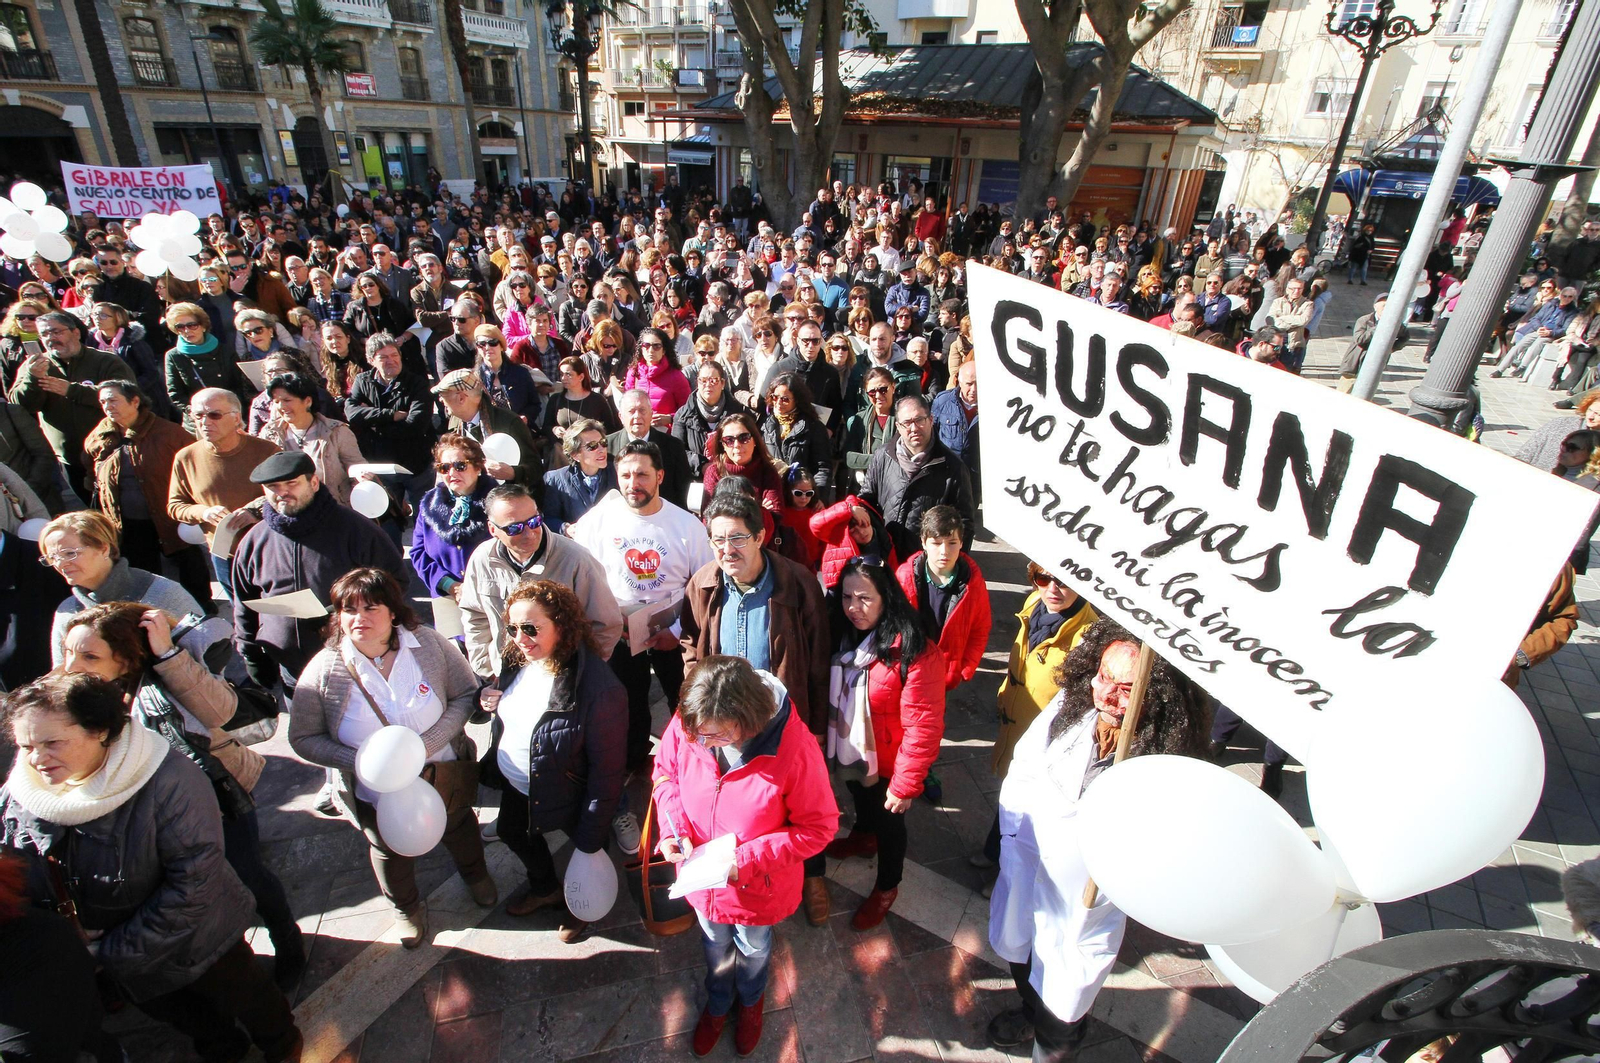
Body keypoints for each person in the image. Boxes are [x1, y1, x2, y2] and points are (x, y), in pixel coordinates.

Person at [1, 672, 304, 1062]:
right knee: (190, 1019)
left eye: (52, 743)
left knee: (251, 999)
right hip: (130, 968)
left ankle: (282, 1044)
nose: (36, 760)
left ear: (100, 732)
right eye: (25, 746)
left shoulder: (169, 780)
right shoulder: (20, 791)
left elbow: (195, 882)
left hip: (202, 942)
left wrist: (106, 951)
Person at [986, 619, 1211, 1061]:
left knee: (1064, 1002)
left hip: (1082, 912)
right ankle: (1029, 1011)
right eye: (1103, 675)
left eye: (1125, 688)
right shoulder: (1071, 711)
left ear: (1156, 697)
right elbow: (1024, 767)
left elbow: (1159, 855)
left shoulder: (1162, 769)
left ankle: (1049, 1050)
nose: (1104, 692)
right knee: (1022, 955)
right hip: (1028, 871)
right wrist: (1013, 838)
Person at [59, 602, 305, 990]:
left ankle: (287, 938)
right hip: (151, 820)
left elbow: (222, 711)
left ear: (125, 659)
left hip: (218, 801)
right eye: (68, 652)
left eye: (89, 656)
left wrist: (169, 657)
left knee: (247, 875)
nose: (72, 665)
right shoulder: (77, 696)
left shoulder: (166, 678)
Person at [289, 568, 495, 948]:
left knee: (460, 828)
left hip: (442, 773)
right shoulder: (323, 669)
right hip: (374, 793)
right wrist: (364, 762)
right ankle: (406, 908)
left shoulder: (429, 645)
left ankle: (477, 876)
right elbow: (302, 737)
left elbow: (465, 695)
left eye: (371, 607)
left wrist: (425, 743)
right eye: (348, 609)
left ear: (394, 613)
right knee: (388, 850)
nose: (359, 618)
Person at [654, 656, 838, 1058]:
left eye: (716, 737)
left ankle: (751, 1002)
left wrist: (748, 860)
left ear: (747, 719)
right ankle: (719, 1002)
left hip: (757, 886)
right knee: (713, 942)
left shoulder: (795, 749)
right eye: (697, 735)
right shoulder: (695, 718)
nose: (702, 744)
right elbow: (666, 772)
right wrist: (673, 831)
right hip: (701, 877)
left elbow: (819, 827)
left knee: (753, 948)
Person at [679, 491, 833, 923]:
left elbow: (818, 658)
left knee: (799, 803)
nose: (726, 550)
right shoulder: (704, 582)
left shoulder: (797, 582)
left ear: (762, 536)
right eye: (717, 540)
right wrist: (697, 688)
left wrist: (817, 725)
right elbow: (691, 642)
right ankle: (732, 876)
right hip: (726, 719)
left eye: (737, 538)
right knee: (742, 803)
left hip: (783, 720)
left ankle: (813, 876)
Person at [478, 579, 626, 943]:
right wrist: (488, 699)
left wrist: (591, 839)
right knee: (514, 831)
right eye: (512, 628)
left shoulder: (599, 690)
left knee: (586, 849)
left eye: (531, 628)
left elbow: (606, 775)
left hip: (567, 787)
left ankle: (584, 904)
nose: (519, 638)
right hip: (518, 782)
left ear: (562, 625)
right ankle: (545, 888)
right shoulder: (518, 659)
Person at [570, 440, 715, 774]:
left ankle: (692, 764)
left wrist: (676, 632)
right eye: (625, 475)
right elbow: (582, 577)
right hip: (617, 631)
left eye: (642, 475)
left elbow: (705, 588)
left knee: (687, 700)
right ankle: (636, 769)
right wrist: (604, 621)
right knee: (627, 706)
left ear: (660, 476)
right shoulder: (597, 522)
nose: (632, 484)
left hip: (674, 631)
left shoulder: (687, 526)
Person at [822, 556, 945, 929]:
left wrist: (906, 784)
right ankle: (863, 836)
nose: (854, 608)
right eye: (846, 597)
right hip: (857, 752)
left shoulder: (913, 650)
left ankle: (887, 887)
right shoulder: (842, 633)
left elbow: (924, 725)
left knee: (891, 826)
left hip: (890, 765)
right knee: (861, 798)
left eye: (864, 598)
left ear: (886, 597)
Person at [231, 451, 404, 692]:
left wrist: (349, 612)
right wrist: (250, 654)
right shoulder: (254, 541)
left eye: (292, 483)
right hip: (292, 672)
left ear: (313, 483)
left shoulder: (356, 530)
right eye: (273, 486)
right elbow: (244, 602)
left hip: (354, 665)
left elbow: (396, 583)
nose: (282, 493)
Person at [973, 562, 1100, 873]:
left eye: (1065, 581)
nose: (1052, 589)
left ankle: (1008, 873)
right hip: (1015, 723)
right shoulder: (1034, 603)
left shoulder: (1089, 636)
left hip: (1046, 738)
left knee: (1028, 809)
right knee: (1010, 793)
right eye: (1044, 578)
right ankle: (994, 851)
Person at [458, 483, 622, 682]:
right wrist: (488, 670)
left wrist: (579, 675)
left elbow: (606, 625)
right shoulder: (482, 559)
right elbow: (475, 616)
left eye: (534, 521)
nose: (529, 533)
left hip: (562, 678)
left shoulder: (576, 560)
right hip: (506, 678)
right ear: (493, 529)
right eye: (515, 528)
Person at [84, 379, 214, 605]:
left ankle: (202, 608)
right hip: (128, 521)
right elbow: (88, 466)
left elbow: (197, 469)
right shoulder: (101, 435)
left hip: (170, 517)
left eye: (113, 400)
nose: (108, 407)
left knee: (189, 565)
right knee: (144, 573)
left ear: (135, 401)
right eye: (103, 402)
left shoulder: (169, 434)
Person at [9, 310, 134, 503]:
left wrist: (73, 391)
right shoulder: (34, 366)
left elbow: (128, 397)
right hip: (69, 457)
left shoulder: (106, 361)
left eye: (56, 332)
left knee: (123, 505)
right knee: (90, 506)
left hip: (112, 449)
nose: (51, 338)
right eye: (44, 334)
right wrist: (32, 380)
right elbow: (20, 405)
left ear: (75, 332)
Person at [168, 387, 280, 600]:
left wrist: (255, 511)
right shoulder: (186, 457)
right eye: (198, 415)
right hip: (223, 553)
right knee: (242, 614)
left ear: (237, 419)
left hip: (268, 549)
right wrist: (203, 512)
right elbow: (175, 505)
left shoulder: (266, 451)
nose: (205, 422)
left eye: (214, 415)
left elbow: (286, 492)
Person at [863, 393, 975, 559]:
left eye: (919, 420)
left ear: (930, 420)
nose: (914, 428)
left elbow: (964, 523)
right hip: (885, 558)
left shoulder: (953, 466)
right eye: (907, 423)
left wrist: (952, 564)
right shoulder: (882, 456)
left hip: (926, 564)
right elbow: (866, 500)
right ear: (898, 426)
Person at [896, 504, 992, 694]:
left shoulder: (973, 583)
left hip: (945, 676)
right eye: (936, 543)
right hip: (909, 671)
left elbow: (980, 628)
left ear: (962, 542)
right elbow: (892, 625)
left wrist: (965, 669)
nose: (944, 551)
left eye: (952, 543)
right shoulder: (903, 577)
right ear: (924, 542)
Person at [344, 332, 437, 512]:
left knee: (425, 514)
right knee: (389, 516)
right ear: (371, 360)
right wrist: (391, 415)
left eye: (394, 355)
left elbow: (415, 425)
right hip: (381, 465)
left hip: (416, 463)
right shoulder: (363, 381)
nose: (391, 361)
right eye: (383, 357)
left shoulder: (417, 383)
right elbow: (351, 413)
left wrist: (373, 425)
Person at [258, 370, 367, 506]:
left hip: (334, 508)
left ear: (307, 401)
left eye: (287, 400)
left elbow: (356, 466)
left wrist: (362, 477)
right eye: (276, 401)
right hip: (290, 509)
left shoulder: (336, 432)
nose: (281, 406)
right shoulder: (270, 434)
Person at [412, 432, 494, 600]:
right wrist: (450, 586)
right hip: (447, 598)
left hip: (494, 594)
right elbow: (419, 553)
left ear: (478, 467)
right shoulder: (428, 505)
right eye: (444, 467)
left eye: (460, 466)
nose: (452, 473)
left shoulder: (499, 502)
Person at [163, 301, 253, 433]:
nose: (187, 331)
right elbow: (175, 393)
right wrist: (195, 411)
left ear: (203, 326)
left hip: (228, 416)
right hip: (198, 422)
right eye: (180, 327)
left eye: (192, 325)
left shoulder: (225, 350)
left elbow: (239, 384)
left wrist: (235, 411)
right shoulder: (173, 356)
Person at [608, 389, 694, 509]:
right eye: (631, 411)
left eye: (642, 410)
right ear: (621, 417)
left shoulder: (673, 446)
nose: (637, 416)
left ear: (651, 414)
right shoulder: (606, 447)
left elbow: (683, 490)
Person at [760, 373, 834, 502]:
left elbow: (822, 468)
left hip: (803, 498)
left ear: (797, 400)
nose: (778, 403)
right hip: (775, 497)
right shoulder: (766, 425)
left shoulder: (813, 427)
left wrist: (817, 498)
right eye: (775, 397)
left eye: (785, 399)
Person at [541, 417, 617, 534]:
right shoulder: (555, 479)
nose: (601, 449)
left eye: (603, 443)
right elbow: (548, 519)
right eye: (592, 446)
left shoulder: (619, 473)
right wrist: (566, 528)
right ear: (575, 454)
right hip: (576, 546)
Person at [703, 410, 784, 509]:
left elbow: (776, 517)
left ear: (755, 441)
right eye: (729, 440)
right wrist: (757, 509)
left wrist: (728, 509)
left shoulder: (768, 472)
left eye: (744, 438)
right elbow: (710, 518)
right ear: (723, 445)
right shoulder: (714, 472)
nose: (737, 445)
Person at [1337, 295, 1409, 394]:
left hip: (1376, 363)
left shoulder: (1395, 323)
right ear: (1375, 306)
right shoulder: (1364, 320)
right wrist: (1377, 328)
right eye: (1384, 306)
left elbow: (1405, 337)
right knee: (1344, 390)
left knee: (1365, 392)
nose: (1386, 309)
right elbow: (1359, 339)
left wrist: (1392, 348)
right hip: (1356, 361)